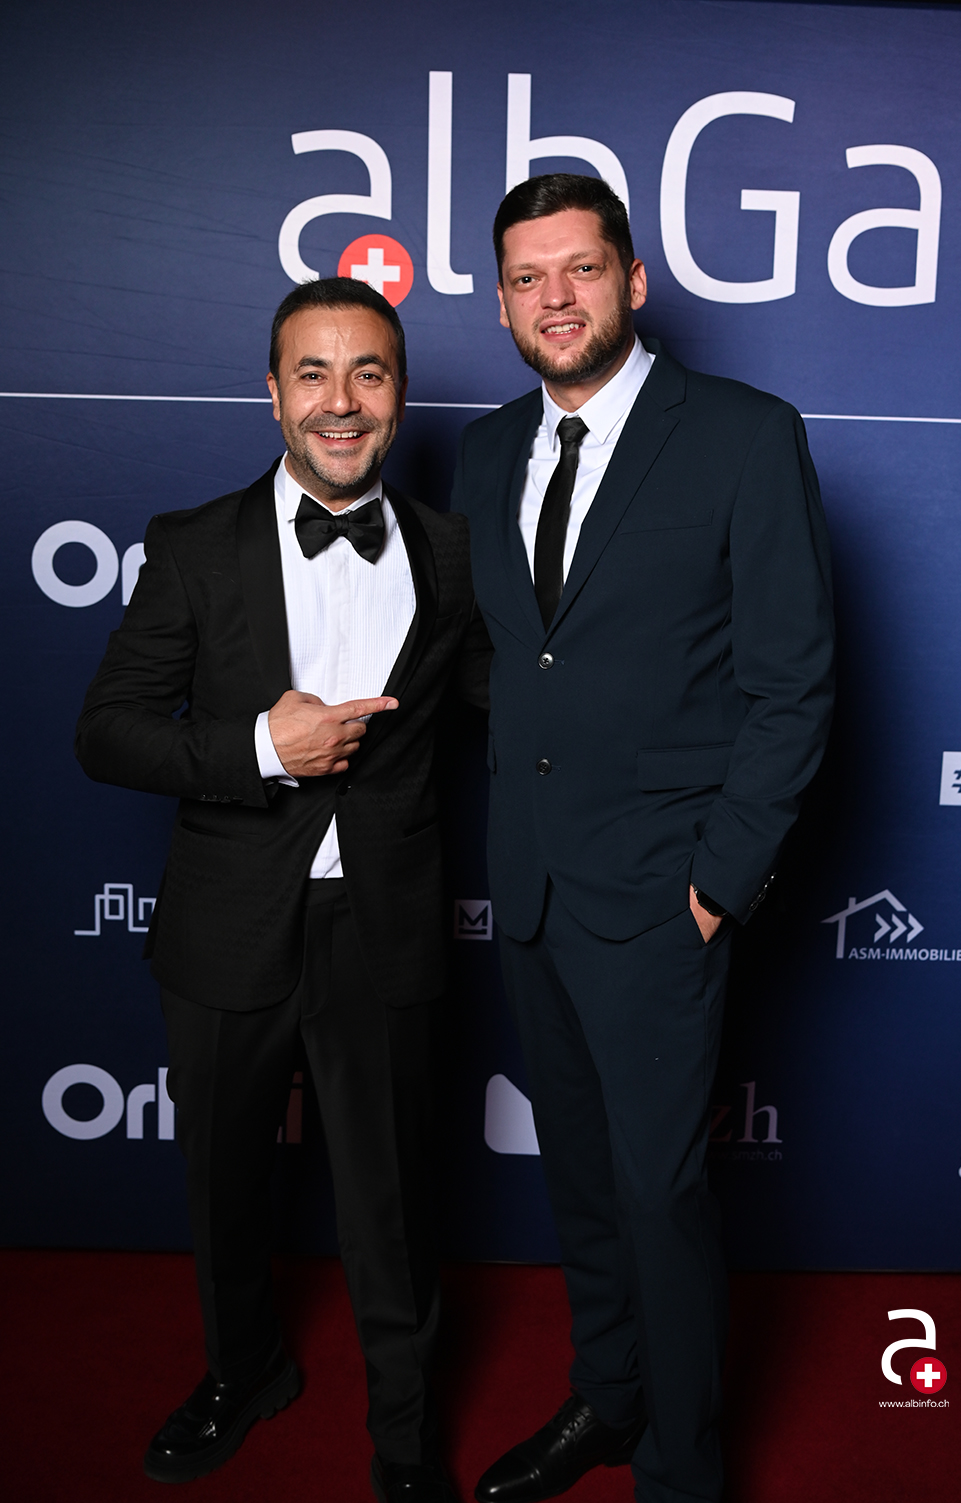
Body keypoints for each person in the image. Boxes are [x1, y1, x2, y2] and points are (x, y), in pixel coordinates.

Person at [452, 175, 835, 1503]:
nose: (553, 297)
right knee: (578, 1175)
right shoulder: (487, 451)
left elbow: (794, 683)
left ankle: (681, 1466)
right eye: (526, 277)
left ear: (632, 280)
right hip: (533, 881)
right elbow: (512, 658)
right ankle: (608, 1397)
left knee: (659, 1191)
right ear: (502, 303)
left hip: (666, 894)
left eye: (578, 268)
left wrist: (718, 881)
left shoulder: (741, 434)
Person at [76, 276, 489, 1503]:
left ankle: (405, 1431)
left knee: (393, 1198)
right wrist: (263, 744)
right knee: (226, 1186)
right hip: (227, 919)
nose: (340, 401)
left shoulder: (455, 553)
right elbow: (108, 732)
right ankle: (243, 1370)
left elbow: (508, 710)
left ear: (399, 395)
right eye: (312, 373)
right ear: (272, 395)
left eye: (368, 372)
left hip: (385, 923)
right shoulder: (192, 544)